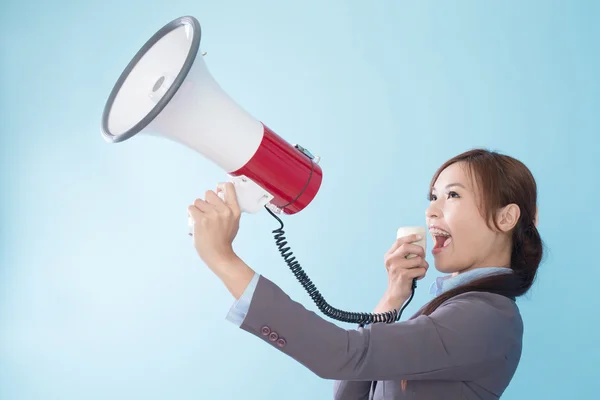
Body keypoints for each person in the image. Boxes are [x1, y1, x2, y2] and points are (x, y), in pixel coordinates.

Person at [187, 148, 543, 399]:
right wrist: (392, 297)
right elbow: (349, 391)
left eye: (451, 195)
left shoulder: (486, 317)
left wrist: (223, 259)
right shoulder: (455, 309)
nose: (430, 211)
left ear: (506, 218)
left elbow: (344, 355)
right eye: (432, 196)